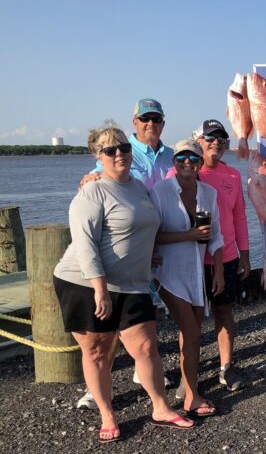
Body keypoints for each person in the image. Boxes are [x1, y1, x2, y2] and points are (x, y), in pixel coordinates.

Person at [53, 123, 194, 443]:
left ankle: (160, 407)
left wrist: (151, 252)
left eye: (124, 148)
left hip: (132, 282)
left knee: (146, 347)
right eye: (110, 149)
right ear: (97, 156)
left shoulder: (139, 187)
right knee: (98, 351)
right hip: (85, 283)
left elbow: (144, 226)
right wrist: (100, 288)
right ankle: (107, 414)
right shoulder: (91, 191)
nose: (119, 154)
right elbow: (85, 243)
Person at [76, 99, 172, 409]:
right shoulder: (119, 148)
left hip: (157, 243)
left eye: (156, 118)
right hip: (126, 250)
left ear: (163, 122)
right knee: (115, 320)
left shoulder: (171, 156)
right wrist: (87, 178)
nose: (151, 123)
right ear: (135, 121)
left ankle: (139, 372)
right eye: (145, 118)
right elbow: (96, 179)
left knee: (147, 316)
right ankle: (99, 386)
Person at [174, 119, 250, 395]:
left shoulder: (232, 175)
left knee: (223, 311)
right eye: (210, 138)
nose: (216, 142)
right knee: (190, 319)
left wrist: (245, 254)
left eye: (221, 138)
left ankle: (226, 367)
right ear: (198, 140)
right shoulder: (183, 170)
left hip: (226, 256)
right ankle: (188, 375)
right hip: (191, 258)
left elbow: (239, 215)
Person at [150, 139, 225, 417]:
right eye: (182, 158)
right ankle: (191, 395)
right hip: (167, 272)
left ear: (199, 163)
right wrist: (188, 236)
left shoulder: (208, 193)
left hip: (195, 273)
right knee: (192, 332)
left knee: (193, 335)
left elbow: (215, 235)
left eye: (193, 159)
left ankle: (189, 388)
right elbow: (151, 235)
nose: (187, 163)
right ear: (174, 162)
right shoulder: (160, 192)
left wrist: (218, 270)